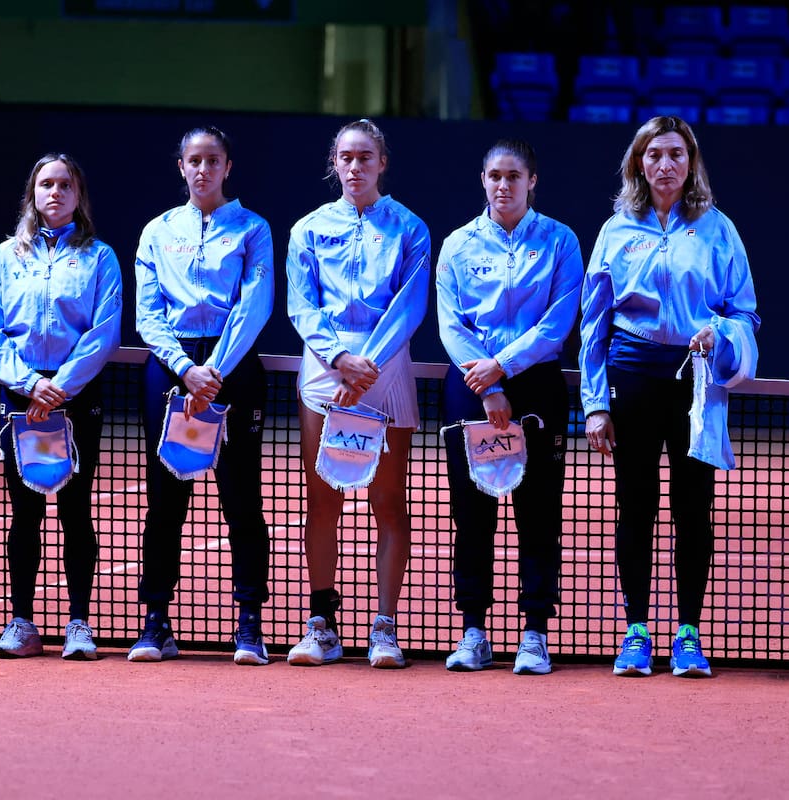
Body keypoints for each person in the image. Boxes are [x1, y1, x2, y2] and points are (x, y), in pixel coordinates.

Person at [580, 116, 760, 678]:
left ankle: (687, 634)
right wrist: (595, 403)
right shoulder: (614, 230)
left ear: (691, 163)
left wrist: (721, 333)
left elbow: (745, 310)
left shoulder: (719, 229)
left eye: (677, 155)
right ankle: (636, 631)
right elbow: (594, 323)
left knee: (692, 507)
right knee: (634, 506)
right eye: (654, 154)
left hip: (696, 382)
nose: (665, 165)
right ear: (639, 162)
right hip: (631, 377)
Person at [286, 118, 431, 669]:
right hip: (324, 374)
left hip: (386, 373)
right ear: (334, 163)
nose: (354, 167)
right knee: (323, 503)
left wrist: (367, 364)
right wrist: (339, 359)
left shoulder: (410, 228)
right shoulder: (307, 229)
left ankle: (384, 628)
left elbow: (410, 304)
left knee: (388, 503)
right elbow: (303, 304)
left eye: (365, 157)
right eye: (345, 157)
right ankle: (321, 624)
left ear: (382, 164)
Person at [436, 138, 583, 675]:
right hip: (471, 387)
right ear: (482, 179)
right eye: (494, 175)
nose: (503, 185)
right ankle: (473, 630)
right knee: (471, 513)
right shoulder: (457, 245)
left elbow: (557, 323)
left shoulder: (561, 242)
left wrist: (503, 367)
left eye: (513, 176)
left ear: (532, 181)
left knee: (538, 513)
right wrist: (487, 380)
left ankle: (535, 633)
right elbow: (450, 324)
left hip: (536, 386)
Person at [130, 126, 274, 665]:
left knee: (242, 500)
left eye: (213, 160)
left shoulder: (253, 228)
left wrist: (212, 369)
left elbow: (253, 305)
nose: (203, 169)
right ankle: (155, 621)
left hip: (231, 370)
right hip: (172, 372)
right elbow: (148, 314)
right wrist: (185, 368)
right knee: (164, 502)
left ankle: (249, 623)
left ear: (228, 167)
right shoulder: (157, 232)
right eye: (194, 160)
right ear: (181, 167)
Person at [0, 153, 122, 660]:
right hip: (19, 403)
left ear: (78, 195)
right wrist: (26, 383)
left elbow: (103, 332)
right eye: (46, 184)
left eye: (65, 184)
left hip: (74, 402)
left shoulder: (101, 257)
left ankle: (78, 623)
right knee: (24, 513)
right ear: (33, 194)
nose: (55, 193)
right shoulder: (4, 256)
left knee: (75, 511)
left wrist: (58, 386)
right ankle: (21, 622)